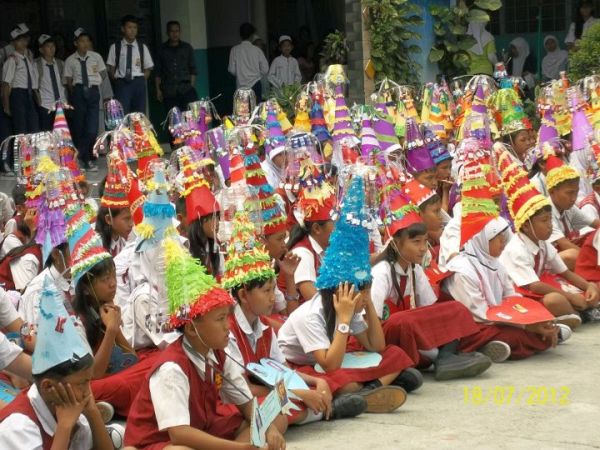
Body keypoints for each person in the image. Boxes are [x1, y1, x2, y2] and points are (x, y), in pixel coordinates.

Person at [124, 238, 288, 449]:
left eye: (226, 317)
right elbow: (179, 434)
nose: (227, 326)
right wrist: (238, 448)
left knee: (275, 420)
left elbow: (246, 402)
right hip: (158, 443)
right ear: (192, 328)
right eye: (220, 319)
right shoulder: (171, 368)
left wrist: (269, 428)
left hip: (203, 428)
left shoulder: (217, 353)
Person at [278, 176, 418, 414]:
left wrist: (368, 304)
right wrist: (343, 321)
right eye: (359, 289)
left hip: (333, 358)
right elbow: (329, 365)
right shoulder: (311, 315)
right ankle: (365, 389)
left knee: (395, 353)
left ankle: (368, 391)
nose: (363, 295)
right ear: (341, 289)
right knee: (344, 381)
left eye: (364, 288)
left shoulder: (348, 305)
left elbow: (377, 345)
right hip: (303, 364)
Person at [222, 211, 366, 424]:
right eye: (266, 292)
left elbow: (283, 369)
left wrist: (314, 382)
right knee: (278, 409)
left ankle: (318, 409)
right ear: (243, 295)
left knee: (316, 388)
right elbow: (244, 389)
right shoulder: (228, 332)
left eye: (273, 290)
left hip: (268, 387)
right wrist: (299, 393)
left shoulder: (263, 326)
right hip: (241, 398)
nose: (273, 298)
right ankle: (327, 411)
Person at [372, 189, 492, 378]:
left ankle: (445, 357)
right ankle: (442, 357)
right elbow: (374, 323)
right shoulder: (381, 272)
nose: (422, 249)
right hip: (388, 338)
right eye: (416, 242)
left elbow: (430, 308)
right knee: (403, 321)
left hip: (411, 333)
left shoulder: (415, 269)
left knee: (455, 308)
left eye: (425, 241)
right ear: (396, 243)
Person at [0, 276, 114, 449]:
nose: (88, 392)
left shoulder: (73, 410)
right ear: (47, 387)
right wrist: (64, 428)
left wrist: (92, 413)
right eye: (83, 384)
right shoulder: (19, 427)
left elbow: (22, 329)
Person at [445, 217, 569, 362]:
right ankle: (490, 346)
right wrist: (526, 326)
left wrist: (535, 319)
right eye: (499, 238)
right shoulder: (462, 270)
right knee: (515, 336)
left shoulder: (495, 263)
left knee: (530, 326)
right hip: (476, 325)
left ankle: (504, 344)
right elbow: (479, 315)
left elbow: (512, 298)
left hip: (499, 318)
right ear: (482, 239)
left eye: (504, 237)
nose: (504, 242)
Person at [545, 155, 600, 268]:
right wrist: (592, 261)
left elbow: (595, 224)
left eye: (576, 192)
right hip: (551, 264)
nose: (574, 198)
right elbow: (565, 245)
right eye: (570, 193)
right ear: (552, 192)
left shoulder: (569, 207)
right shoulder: (546, 213)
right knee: (572, 255)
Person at [64, 28, 107, 172]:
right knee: (80, 126)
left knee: (92, 128)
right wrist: (76, 92)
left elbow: (103, 73)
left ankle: (79, 156)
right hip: (78, 92)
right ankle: (86, 159)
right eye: (82, 41)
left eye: (87, 41)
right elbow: (68, 80)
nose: (85, 44)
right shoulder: (70, 60)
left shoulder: (96, 57)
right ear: (76, 43)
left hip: (93, 90)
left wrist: (95, 83)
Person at [107, 15, 153, 115]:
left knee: (139, 114)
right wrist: (118, 79)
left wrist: (140, 79)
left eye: (135, 28)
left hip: (138, 83)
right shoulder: (115, 47)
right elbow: (111, 68)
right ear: (123, 29)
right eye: (129, 27)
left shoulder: (142, 47)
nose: (132, 30)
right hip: (122, 83)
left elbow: (148, 68)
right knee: (123, 113)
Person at [1, 24, 39, 136]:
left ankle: (32, 152)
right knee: (21, 128)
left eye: (23, 40)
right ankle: (22, 153)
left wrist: (37, 96)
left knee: (34, 127)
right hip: (18, 94)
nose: (22, 43)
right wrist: (6, 105)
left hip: (29, 94)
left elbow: (33, 80)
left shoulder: (28, 58)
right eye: (18, 41)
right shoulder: (12, 60)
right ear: (13, 43)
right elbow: (6, 84)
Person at [155, 20, 198, 111]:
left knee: (190, 120)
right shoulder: (161, 49)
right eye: (172, 31)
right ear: (167, 33)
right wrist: (158, 90)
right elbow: (158, 72)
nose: (175, 34)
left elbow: (193, 70)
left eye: (177, 31)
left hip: (186, 89)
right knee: (173, 121)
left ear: (180, 32)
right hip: (169, 91)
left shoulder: (187, 48)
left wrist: (191, 86)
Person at [228, 23, 269, 102]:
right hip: (255, 85)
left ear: (240, 35)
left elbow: (231, 69)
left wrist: (241, 72)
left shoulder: (234, 50)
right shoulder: (257, 50)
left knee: (242, 112)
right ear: (252, 35)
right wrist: (256, 72)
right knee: (256, 112)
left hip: (240, 86)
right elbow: (265, 69)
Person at [35, 34, 67, 131]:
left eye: (53, 46)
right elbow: (34, 86)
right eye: (48, 46)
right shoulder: (36, 65)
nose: (51, 48)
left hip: (61, 103)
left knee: (62, 132)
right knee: (47, 132)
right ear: (41, 50)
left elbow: (65, 82)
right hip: (46, 104)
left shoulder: (61, 63)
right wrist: (39, 101)